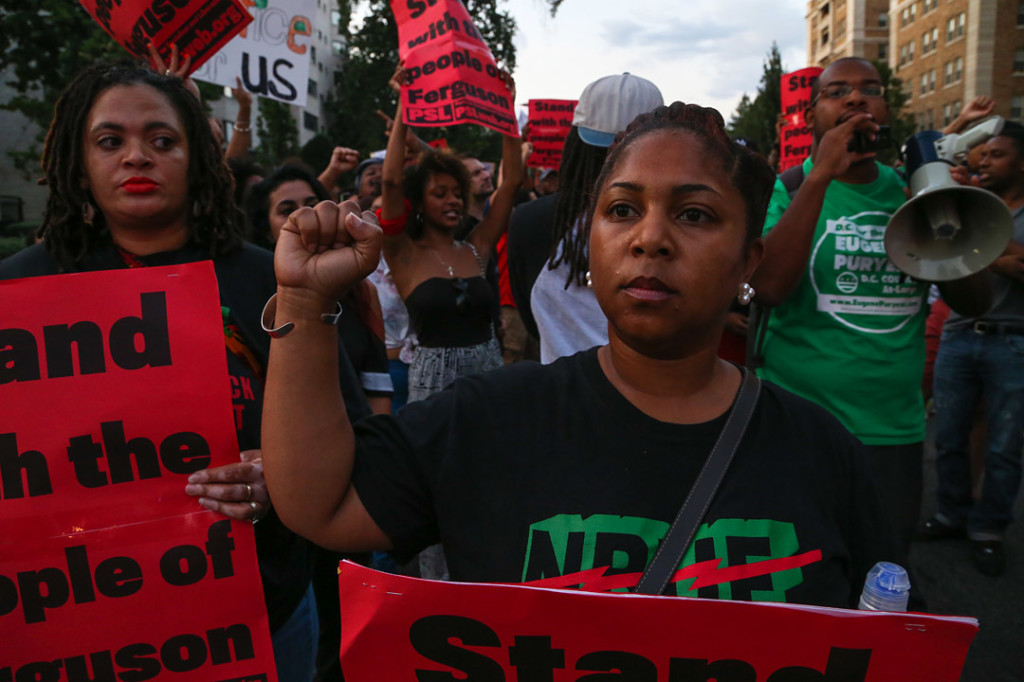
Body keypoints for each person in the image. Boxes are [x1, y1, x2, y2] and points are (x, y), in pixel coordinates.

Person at [261, 101, 904, 610]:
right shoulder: (492, 422)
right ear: (590, 246)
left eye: (696, 215)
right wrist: (303, 300)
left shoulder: (822, 453)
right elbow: (320, 503)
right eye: (622, 209)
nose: (650, 238)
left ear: (748, 261)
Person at [0, 62, 370, 682]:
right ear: (79, 160)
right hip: (79, 627)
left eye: (162, 140)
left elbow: (353, 427)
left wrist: (281, 477)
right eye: (110, 140)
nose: (137, 157)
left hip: (262, 615)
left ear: (197, 156)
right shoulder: (20, 292)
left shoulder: (273, 279)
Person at [749, 57, 992, 557]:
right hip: (798, 423)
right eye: (838, 92)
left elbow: (974, 300)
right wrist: (821, 176)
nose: (856, 99)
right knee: (794, 569)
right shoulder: (789, 189)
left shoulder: (913, 192)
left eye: (870, 90)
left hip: (892, 430)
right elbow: (769, 286)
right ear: (814, 113)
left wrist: (955, 220)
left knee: (879, 571)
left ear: (886, 110)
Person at [377, 64, 523, 404]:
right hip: (434, 391)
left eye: (458, 193)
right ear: (418, 202)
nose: (453, 200)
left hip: (488, 383)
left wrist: (507, 113)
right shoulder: (403, 252)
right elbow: (391, 181)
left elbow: (512, 182)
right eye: (440, 194)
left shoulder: (477, 248)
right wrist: (404, 107)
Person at [918, 123, 1024, 577]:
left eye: (997, 154)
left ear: (1021, 163)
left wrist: (981, 252)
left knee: (1004, 444)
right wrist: (1000, 257)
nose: (984, 160)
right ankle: (950, 513)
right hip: (960, 333)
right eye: (982, 153)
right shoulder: (967, 202)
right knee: (949, 434)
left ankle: (989, 530)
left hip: (1012, 338)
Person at [508, 72, 664, 363]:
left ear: (575, 143)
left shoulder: (533, 221)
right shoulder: (678, 228)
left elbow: (533, 323)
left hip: (561, 399)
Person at [246, 164, 393, 415]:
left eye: (313, 205)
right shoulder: (249, 294)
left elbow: (377, 387)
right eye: (287, 211)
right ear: (266, 229)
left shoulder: (362, 291)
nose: (305, 217)